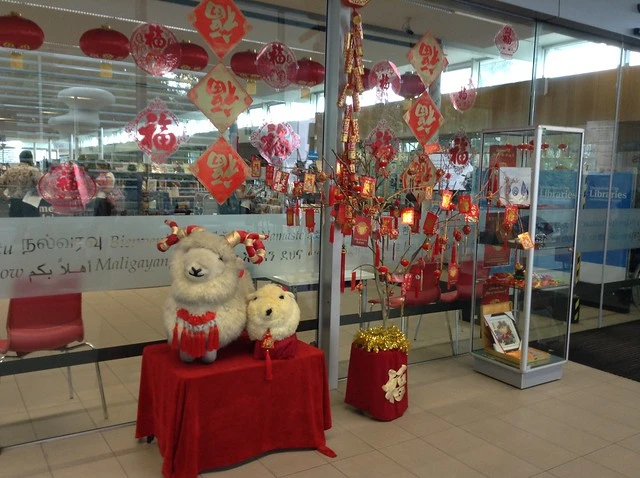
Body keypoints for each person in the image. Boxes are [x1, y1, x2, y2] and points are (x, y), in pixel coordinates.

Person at [0, 150, 42, 217]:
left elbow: (1, 184)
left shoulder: (10, 171)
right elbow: (43, 185)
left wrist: (5, 197)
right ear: (30, 159)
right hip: (30, 203)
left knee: (16, 226)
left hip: (14, 203)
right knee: (32, 225)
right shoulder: (33, 170)